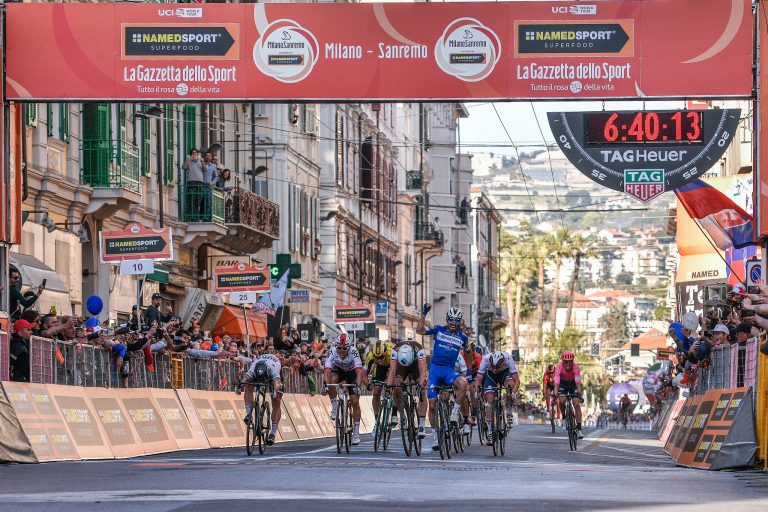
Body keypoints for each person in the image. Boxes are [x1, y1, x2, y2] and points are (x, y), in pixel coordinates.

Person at [416, 303, 471, 451]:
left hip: (449, 371)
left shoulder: (463, 337)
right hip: (435, 370)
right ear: (447, 320)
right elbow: (419, 330)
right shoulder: (439, 330)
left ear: (460, 322)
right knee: (432, 405)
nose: (453, 323)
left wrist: (470, 372)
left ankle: (454, 414)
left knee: (464, 384)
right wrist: (424, 313)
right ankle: (435, 436)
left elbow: (469, 353)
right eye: (450, 320)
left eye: (456, 321)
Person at [322, 333, 364, 445]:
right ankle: (335, 406)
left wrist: (358, 387)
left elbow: (359, 371)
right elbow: (327, 370)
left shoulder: (354, 351)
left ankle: (356, 432)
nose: (341, 350)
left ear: (349, 347)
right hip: (339, 370)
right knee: (331, 381)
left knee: (355, 402)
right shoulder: (332, 351)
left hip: (352, 372)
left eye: (345, 348)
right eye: (339, 348)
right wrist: (325, 385)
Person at [386, 337, 428, 438]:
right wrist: (388, 387)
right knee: (396, 385)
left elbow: (423, 370)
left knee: (422, 391)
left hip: (415, 365)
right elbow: (392, 371)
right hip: (402, 366)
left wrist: (421, 383)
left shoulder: (419, 349)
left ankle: (422, 424)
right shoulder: (395, 350)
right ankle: (402, 414)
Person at [240, 351, 283, 445]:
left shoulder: (274, 367)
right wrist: (240, 386)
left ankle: (273, 433)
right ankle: (249, 414)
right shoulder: (254, 365)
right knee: (248, 384)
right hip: (259, 370)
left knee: (276, 401)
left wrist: (275, 392)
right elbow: (246, 377)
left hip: (273, 377)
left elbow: (276, 381)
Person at [477, 351, 520, 445]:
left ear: (503, 362)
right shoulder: (485, 359)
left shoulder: (508, 359)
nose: (495, 369)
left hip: (504, 374)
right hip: (490, 376)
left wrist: (513, 394)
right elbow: (479, 380)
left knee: (510, 386)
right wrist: (478, 392)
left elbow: (517, 381)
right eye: (492, 366)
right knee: (489, 401)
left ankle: (509, 412)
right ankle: (490, 432)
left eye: (497, 367)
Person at [365, 339, 396, 433]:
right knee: (376, 392)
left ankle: (394, 413)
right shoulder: (370, 355)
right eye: (376, 358)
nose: (379, 360)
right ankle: (377, 421)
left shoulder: (392, 353)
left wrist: (390, 385)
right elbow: (363, 373)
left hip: (392, 365)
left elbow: (394, 371)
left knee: (395, 386)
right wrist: (368, 384)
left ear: (385, 353)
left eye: (381, 357)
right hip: (380, 369)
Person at [554, 350, 584, 439]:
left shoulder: (576, 368)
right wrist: (555, 395)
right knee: (562, 400)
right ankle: (564, 417)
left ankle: (579, 429)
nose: (568, 364)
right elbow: (556, 384)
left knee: (576, 404)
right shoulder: (558, 368)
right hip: (562, 384)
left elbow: (578, 383)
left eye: (570, 362)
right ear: (562, 362)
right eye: (565, 362)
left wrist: (579, 395)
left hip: (573, 384)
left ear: (573, 361)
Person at [182, 148, 206, 220]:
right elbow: (183, 167)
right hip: (191, 182)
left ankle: (196, 216)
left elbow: (205, 170)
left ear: (197, 154)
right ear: (191, 154)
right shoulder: (188, 161)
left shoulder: (200, 161)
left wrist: (202, 162)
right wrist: (189, 159)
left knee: (198, 200)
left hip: (200, 183)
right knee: (191, 199)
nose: (194, 154)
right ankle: (191, 216)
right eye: (193, 153)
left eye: (195, 153)